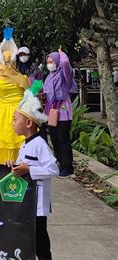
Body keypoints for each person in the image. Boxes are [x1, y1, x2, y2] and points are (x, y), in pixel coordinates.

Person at [6, 87, 59, 260]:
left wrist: (29, 170)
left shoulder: (39, 144)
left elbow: (53, 169)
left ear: (28, 123)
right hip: (28, 202)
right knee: (30, 240)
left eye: (15, 119)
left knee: (40, 242)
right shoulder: (25, 144)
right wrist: (12, 165)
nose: (12, 123)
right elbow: (23, 166)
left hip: (38, 205)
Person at [0, 38, 30, 164]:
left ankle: (3, 171)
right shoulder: (23, 79)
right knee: (22, 143)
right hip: (21, 113)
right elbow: (28, 95)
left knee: (4, 145)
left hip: (3, 114)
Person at [43, 48, 77, 178]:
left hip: (63, 111)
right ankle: (61, 164)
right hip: (51, 112)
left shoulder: (64, 74)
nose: (50, 64)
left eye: (52, 61)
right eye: (48, 62)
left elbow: (64, 64)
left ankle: (68, 167)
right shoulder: (49, 77)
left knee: (63, 139)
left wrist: (62, 54)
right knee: (54, 139)